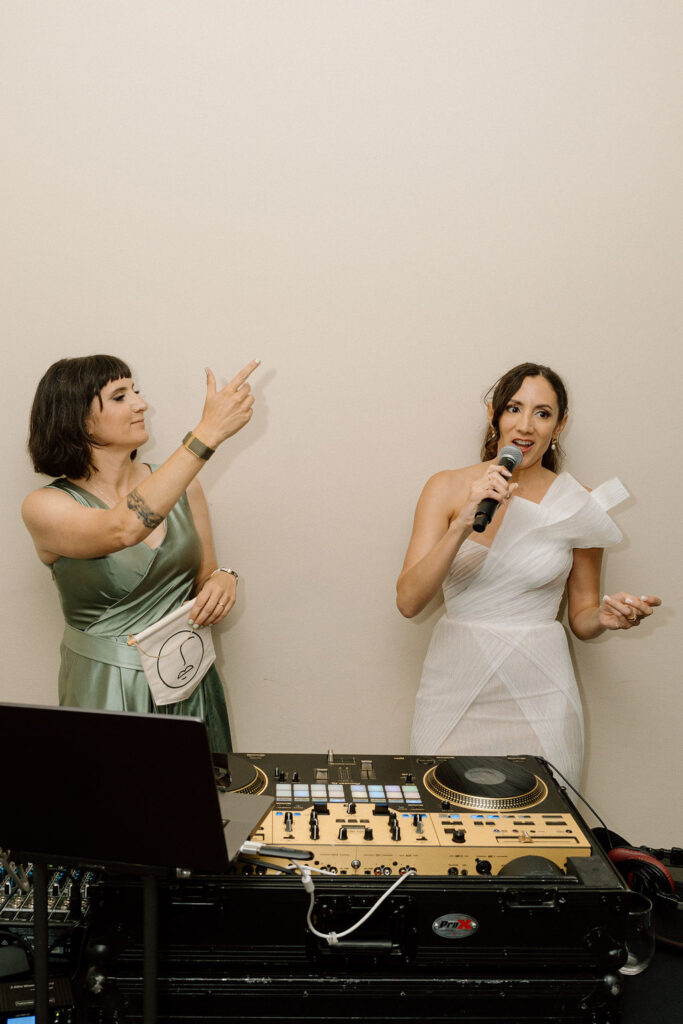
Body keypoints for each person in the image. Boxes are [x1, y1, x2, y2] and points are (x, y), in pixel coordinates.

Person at [396, 362, 660, 786]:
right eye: (514, 409)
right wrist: (462, 525)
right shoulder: (445, 487)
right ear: (493, 415)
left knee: (544, 833)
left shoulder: (579, 503)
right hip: (455, 684)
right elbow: (409, 602)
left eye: (542, 413)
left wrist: (605, 617)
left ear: (559, 424)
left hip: (541, 694)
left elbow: (583, 617)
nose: (525, 425)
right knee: (442, 823)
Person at [22, 354, 261, 753]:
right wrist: (207, 434)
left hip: (187, 680)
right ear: (77, 417)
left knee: (201, 808)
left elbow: (205, 575)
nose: (140, 404)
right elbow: (122, 529)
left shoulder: (185, 488)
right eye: (119, 396)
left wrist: (223, 578)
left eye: (136, 391)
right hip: (107, 691)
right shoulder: (45, 506)